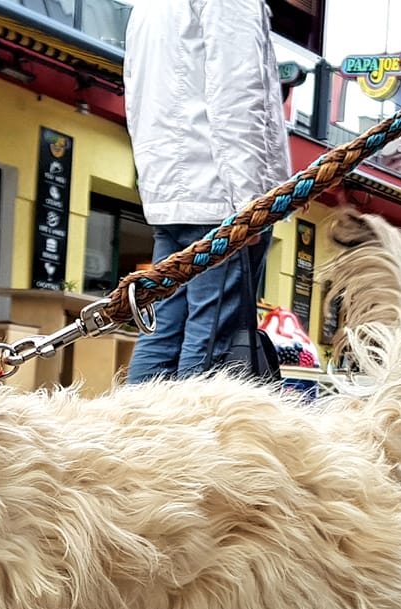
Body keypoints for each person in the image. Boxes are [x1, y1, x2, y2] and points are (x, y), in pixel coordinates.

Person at [122, 0, 291, 384]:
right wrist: (252, 208)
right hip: (219, 191)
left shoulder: (148, 7)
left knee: (163, 331)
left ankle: (132, 430)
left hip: (172, 191)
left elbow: (135, 96)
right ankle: (192, 438)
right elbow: (239, 98)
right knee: (213, 336)